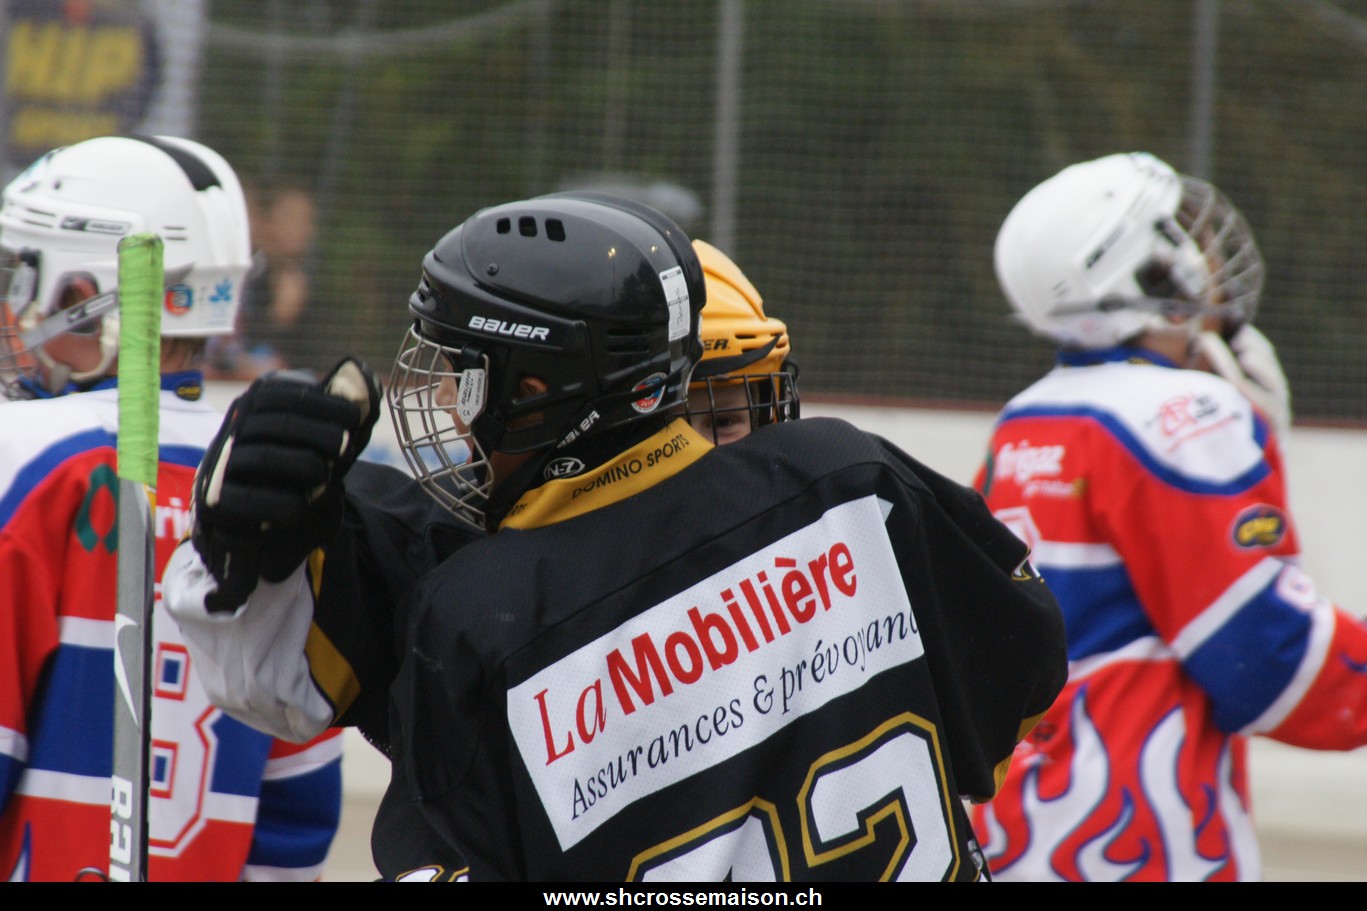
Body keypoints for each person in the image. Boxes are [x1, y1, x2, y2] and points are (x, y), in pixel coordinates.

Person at [165, 190, 1068, 881]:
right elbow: (1022, 674)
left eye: (728, 411)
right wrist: (240, 540)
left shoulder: (480, 610)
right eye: (699, 406)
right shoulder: (846, 477)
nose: (716, 443)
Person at [969, 151, 1367, 881]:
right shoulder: (1181, 414)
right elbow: (1267, 659)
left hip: (1021, 830)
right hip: (1138, 835)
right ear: (1150, 271)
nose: (1205, 256)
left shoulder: (1023, 419)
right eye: (1182, 238)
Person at [0, 134, 345, 881]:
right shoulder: (277, 481)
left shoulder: (25, 456)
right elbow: (300, 801)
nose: (12, 309)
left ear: (84, 297)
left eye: (26, 279)